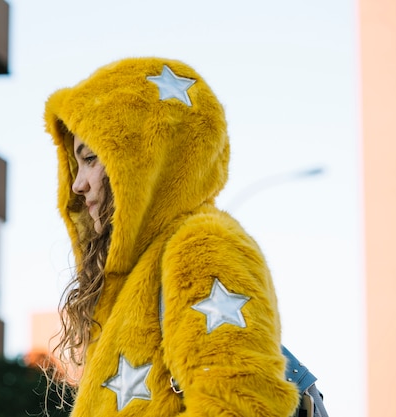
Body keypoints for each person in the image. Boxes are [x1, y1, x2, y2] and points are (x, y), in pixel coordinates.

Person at [43, 57, 300, 416]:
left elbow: (242, 405)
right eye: (76, 163)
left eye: (90, 159)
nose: (77, 184)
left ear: (143, 161)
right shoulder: (140, 273)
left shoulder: (203, 244)